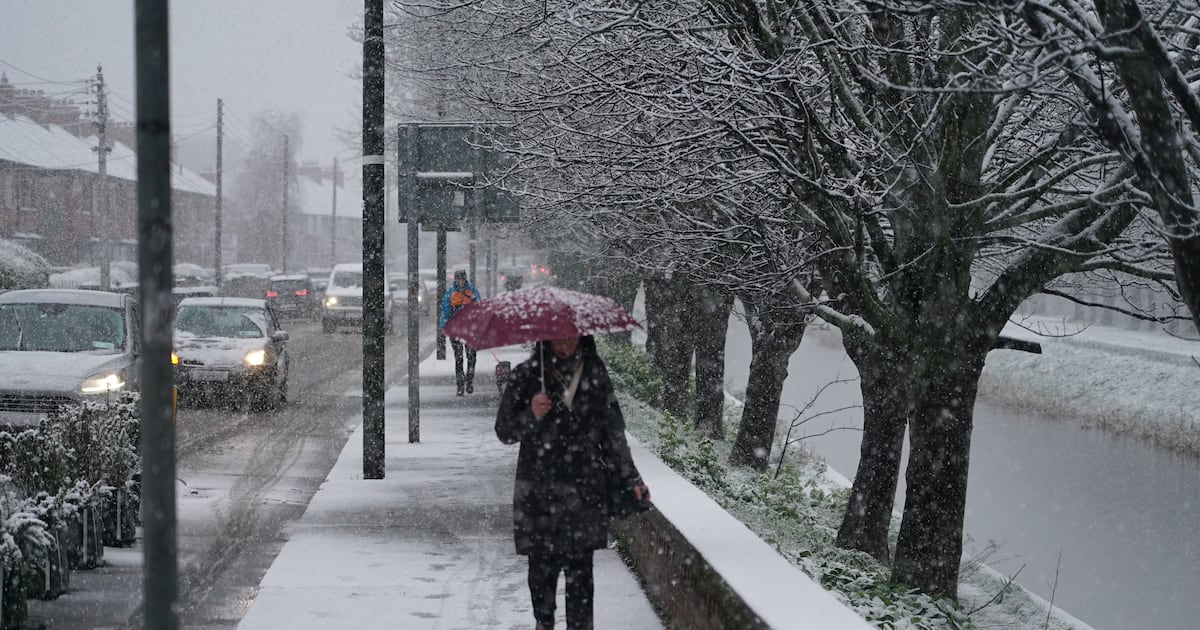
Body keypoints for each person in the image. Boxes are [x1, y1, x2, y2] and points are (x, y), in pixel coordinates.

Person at [495, 335, 650, 630]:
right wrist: (532, 414)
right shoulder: (528, 375)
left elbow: (613, 433)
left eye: (571, 335)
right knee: (541, 572)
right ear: (546, 337)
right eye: (559, 337)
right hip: (537, 492)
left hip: (583, 490)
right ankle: (545, 621)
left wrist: (632, 478)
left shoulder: (594, 374)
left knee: (581, 577)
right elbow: (504, 431)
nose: (566, 343)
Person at [438, 269, 481, 395]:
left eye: (462, 279)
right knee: (459, 358)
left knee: (471, 357)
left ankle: (469, 380)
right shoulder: (450, 293)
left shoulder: (472, 291)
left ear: (465, 279)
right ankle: (460, 385)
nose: (460, 281)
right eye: (458, 279)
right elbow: (445, 311)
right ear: (455, 280)